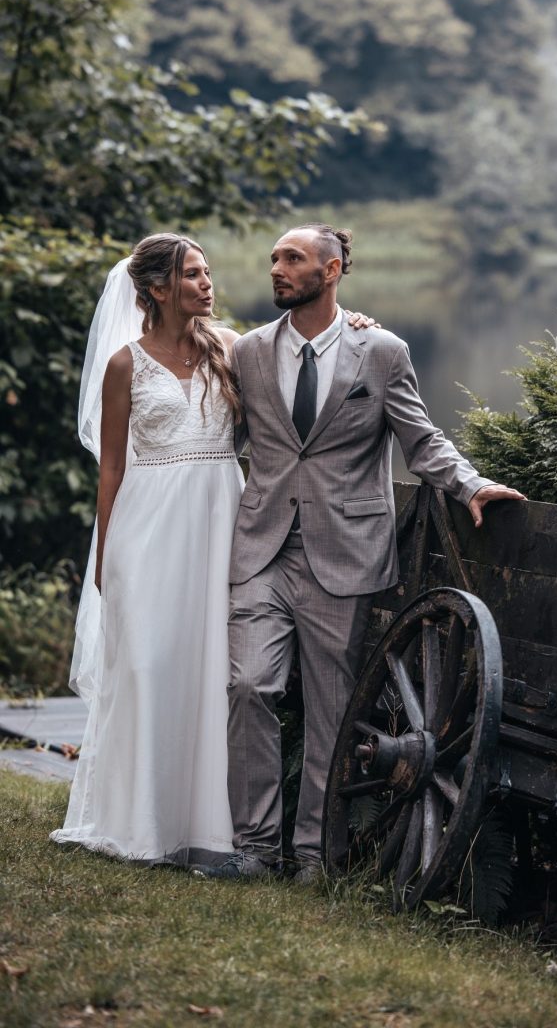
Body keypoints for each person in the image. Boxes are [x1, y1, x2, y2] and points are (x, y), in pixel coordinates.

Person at [198, 223, 525, 884]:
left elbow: (420, 437)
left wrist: (469, 483)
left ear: (333, 268)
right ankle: (256, 849)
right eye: (274, 260)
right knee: (248, 686)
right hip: (261, 548)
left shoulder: (382, 350)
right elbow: (212, 423)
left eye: (293, 259)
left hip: (345, 553)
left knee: (331, 711)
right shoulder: (251, 352)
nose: (278, 270)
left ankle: (317, 856)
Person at [50, 233, 376, 865]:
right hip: (147, 530)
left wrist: (356, 322)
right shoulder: (126, 364)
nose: (207, 283)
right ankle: (140, 822)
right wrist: (104, 555)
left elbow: (305, 347)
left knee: (211, 670)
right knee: (147, 665)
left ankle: (210, 828)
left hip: (222, 522)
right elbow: (111, 469)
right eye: (193, 275)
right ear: (157, 289)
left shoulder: (231, 348)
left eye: (207, 271)